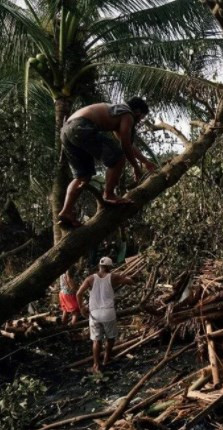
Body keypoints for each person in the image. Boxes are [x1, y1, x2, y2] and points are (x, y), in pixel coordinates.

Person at [57, 97, 157, 228]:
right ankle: (109, 194)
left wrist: (145, 161)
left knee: (82, 175)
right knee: (118, 157)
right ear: (138, 112)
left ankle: (66, 212)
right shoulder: (128, 115)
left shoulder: (115, 112)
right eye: (142, 117)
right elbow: (125, 146)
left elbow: (127, 143)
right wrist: (136, 167)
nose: (140, 121)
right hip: (81, 126)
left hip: (66, 131)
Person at [76, 256, 134, 373]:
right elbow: (129, 281)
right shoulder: (113, 277)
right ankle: (106, 358)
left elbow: (78, 294)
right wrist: (128, 278)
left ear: (99, 266)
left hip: (95, 314)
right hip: (108, 313)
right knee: (110, 337)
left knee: (96, 341)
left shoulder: (90, 279)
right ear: (109, 267)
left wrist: (82, 308)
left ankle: (96, 365)